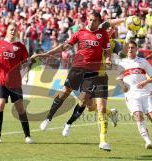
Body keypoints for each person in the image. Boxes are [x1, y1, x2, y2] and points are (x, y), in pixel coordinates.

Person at [32, 10, 112, 151]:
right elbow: (64, 46)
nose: (91, 22)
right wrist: (46, 54)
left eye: (94, 20)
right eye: (90, 19)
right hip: (77, 68)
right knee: (65, 92)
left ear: (99, 21)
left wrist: (109, 59)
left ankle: (68, 124)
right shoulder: (80, 32)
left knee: (83, 101)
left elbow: (106, 51)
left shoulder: (103, 34)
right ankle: (48, 118)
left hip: (93, 72)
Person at [0, 22, 34, 144]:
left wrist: (27, 74)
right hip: (0, 81)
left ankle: (27, 136)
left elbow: (26, 63)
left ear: (17, 31)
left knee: (20, 108)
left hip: (15, 83)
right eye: (11, 29)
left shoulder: (20, 47)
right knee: (0, 104)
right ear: (7, 31)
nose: (13, 31)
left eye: (15, 29)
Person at [117, 40, 152, 149]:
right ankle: (147, 141)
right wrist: (122, 85)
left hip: (145, 93)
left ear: (136, 49)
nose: (130, 49)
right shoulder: (122, 63)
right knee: (138, 116)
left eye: (132, 47)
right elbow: (119, 79)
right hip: (131, 94)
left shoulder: (143, 62)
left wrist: (145, 82)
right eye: (128, 47)